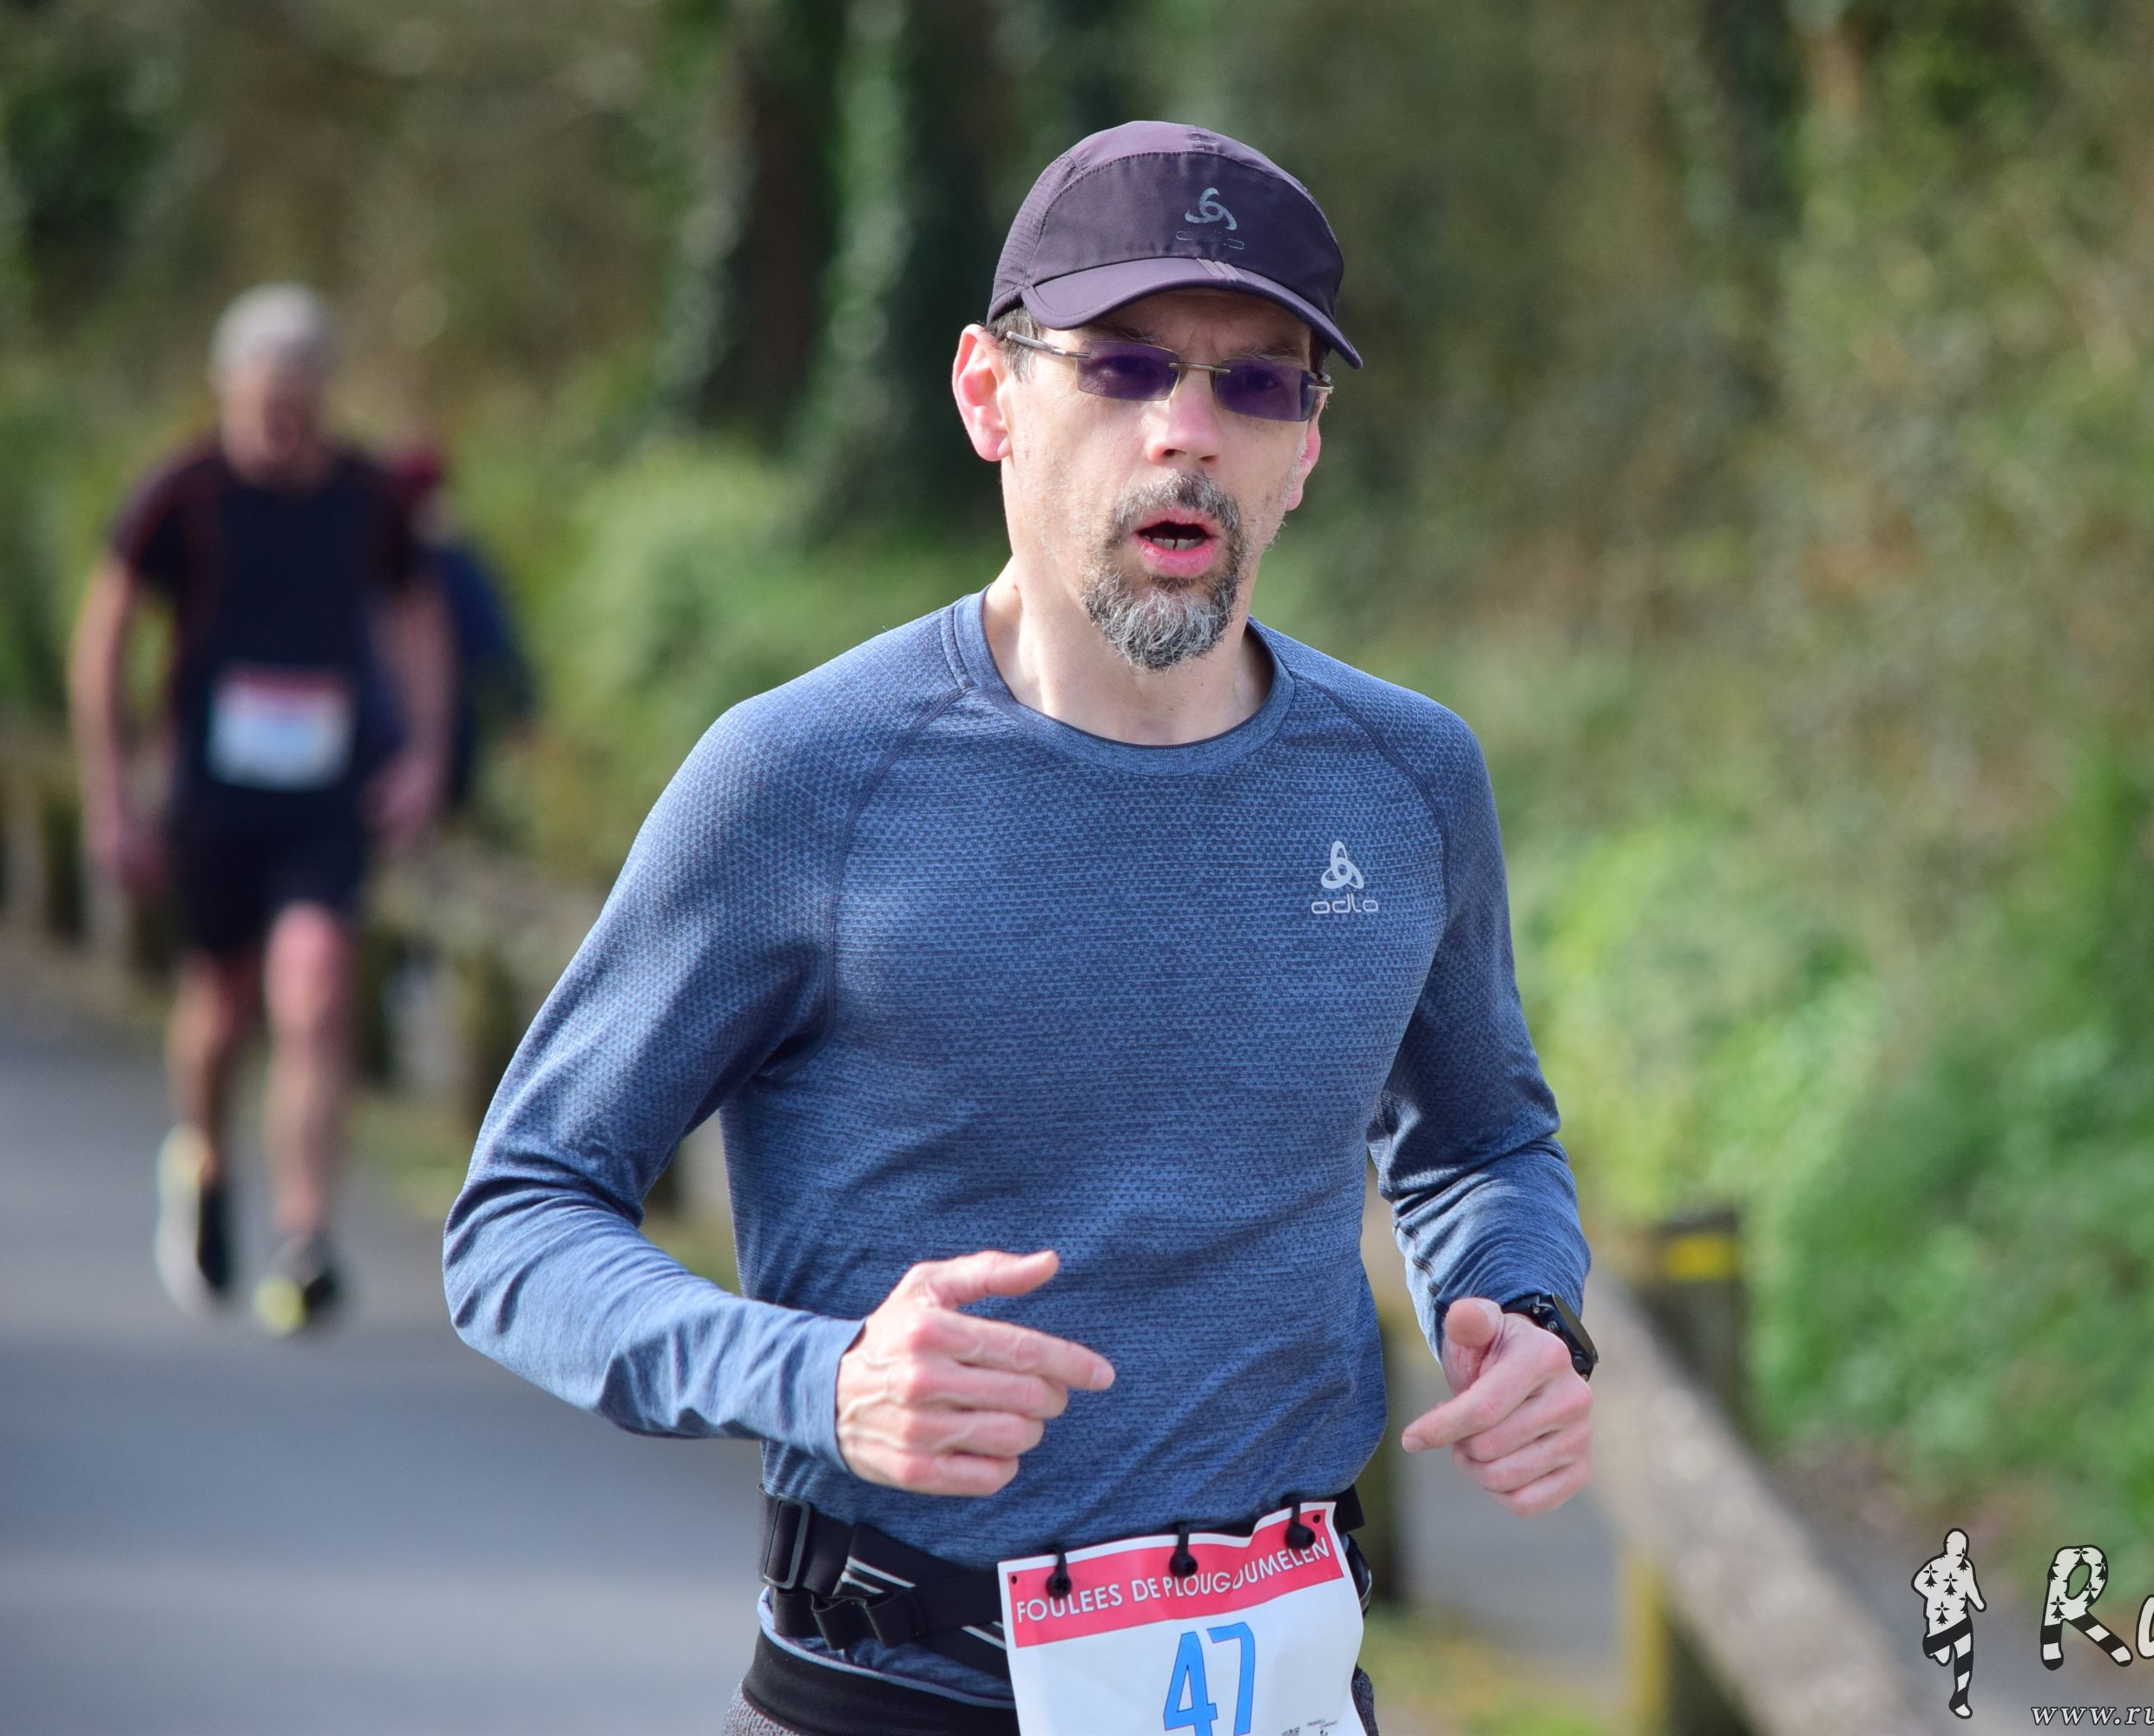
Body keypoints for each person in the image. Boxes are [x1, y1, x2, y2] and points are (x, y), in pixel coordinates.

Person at [442, 122, 1595, 1736]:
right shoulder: (802, 779)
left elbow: (1482, 1144)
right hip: (892, 1686)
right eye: (1124, 367)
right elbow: (518, 1219)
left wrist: (1527, 1311)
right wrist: (815, 1379)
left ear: (1306, 449)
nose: (1186, 431)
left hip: (1285, 1687)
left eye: (1257, 383)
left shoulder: (1407, 778)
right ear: (989, 395)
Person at [69, 283, 453, 1334]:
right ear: (226, 390)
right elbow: (105, 637)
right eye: (261, 401)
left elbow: (418, 619)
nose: (280, 422)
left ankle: (304, 1235)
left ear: (323, 392)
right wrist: (112, 794)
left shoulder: (369, 499)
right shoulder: (180, 494)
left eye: (297, 400)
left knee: (316, 987)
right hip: (211, 792)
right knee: (223, 1005)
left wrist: (423, 755)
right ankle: (201, 1157)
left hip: (326, 792)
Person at [389, 437, 537, 815]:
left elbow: (493, 641)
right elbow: (497, 643)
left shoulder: (447, 564)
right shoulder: (440, 559)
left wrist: (521, 707)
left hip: (444, 723)